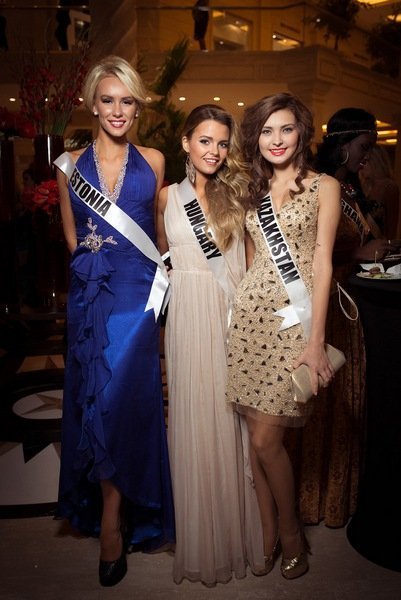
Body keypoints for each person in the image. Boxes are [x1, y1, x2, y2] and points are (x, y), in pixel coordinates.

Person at [54, 55, 175, 587]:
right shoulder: (67, 165)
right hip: (90, 296)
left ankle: (113, 519)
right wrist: (91, 282)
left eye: (127, 100)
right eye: (108, 100)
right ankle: (110, 509)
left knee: (123, 397)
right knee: (95, 400)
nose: (118, 110)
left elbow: (159, 236)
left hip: (139, 297)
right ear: (92, 104)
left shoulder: (155, 160)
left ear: (138, 106)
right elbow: (71, 239)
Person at [226, 92, 341, 579]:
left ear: (301, 133)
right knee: (255, 439)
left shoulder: (324, 186)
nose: (276, 140)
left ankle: (292, 534)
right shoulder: (252, 190)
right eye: (267, 131)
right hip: (250, 323)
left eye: (286, 129)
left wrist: (315, 342)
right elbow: (253, 259)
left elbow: (323, 264)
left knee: (267, 438)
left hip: (294, 322)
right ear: (256, 137)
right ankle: (267, 530)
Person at [157, 104, 265, 586]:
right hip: (185, 317)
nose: (214, 151)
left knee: (228, 419)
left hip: (226, 318)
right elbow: (161, 261)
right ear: (185, 142)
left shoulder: (236, 197)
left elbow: (247, 266)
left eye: (222, 143)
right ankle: (199, 539)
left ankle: (235, 534)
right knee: (192, 416)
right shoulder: (166, 197)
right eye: (205, 140)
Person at [294, 108, 398, 528]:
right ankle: (311, 499)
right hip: (328, 304)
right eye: (363, 147)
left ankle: (338, 498)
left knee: (347, 402)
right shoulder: (319, 186)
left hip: (351, 305)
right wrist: (358, 252)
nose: (367, 156)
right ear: (343, 145)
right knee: (324, 401)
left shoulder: (351, 188)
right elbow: (306, 248)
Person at [359, 144, 400, 240]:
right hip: (360, 243)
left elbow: (391, 225)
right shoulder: (360, 185)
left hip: (379, 243)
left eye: (365, 162)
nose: (361, 166)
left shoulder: (388, 186)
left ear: (376, 162)